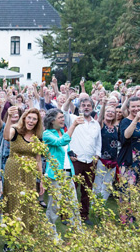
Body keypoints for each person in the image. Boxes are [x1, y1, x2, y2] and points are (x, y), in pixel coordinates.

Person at [43, 108, 84, 239]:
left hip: (67, 173)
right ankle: (50, 232)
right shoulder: (47, 134)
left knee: (73, 203)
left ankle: (78, 231)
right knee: (55, 205)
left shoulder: (62, 132)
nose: (63, 119)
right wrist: (74, 125)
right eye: (60, 117)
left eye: (63, 117)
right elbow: (61, 142)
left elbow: (66, 147)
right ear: (52, 120)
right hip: (55, 174)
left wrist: (71, 154)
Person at [3, 107, 44, 232]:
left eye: (34, 119)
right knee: (13, 201)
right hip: (13, 170)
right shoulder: (15, 130)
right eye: (29, 118)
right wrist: (9, 117)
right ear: (24, 118)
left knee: (28, 202)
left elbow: (38, 159)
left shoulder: (37, 137)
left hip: (29, 174)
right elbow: (5, 136)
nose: (31, 121)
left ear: (37, 122)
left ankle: (26, 235)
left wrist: (41, 180)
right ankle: (10, 237)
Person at [63, 95, 101, 225]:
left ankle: (84, 215)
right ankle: (66, 215)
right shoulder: (73, 119)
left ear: (92, 108)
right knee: (71, 188)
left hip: (90, 161)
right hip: (76, 160)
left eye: (88, 106)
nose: (86, 108)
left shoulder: (96, 124)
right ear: (80, 107)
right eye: (83, 105)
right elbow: (63, 112)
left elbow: (98, 142)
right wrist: (68, 100)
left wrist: (97, 155)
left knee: (87, 190)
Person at [93, 98, 118, 200]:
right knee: (98, 182)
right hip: (101, 159)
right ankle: (94, 205)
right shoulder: (101, 125)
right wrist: (103, 104)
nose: (110, 113)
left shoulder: (116, 127)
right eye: (108, 111)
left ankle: (102, 205)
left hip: (113, 160)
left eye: (113, 112)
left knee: (107, 185)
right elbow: (99, 118)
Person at [118, 97, 140, 185]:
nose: (136, 109)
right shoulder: (125, 121)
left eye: (138, 106)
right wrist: (136, 119)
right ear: (128, 108)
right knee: (128, 193)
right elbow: (126, 136)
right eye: (133, 106)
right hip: (129, 161)